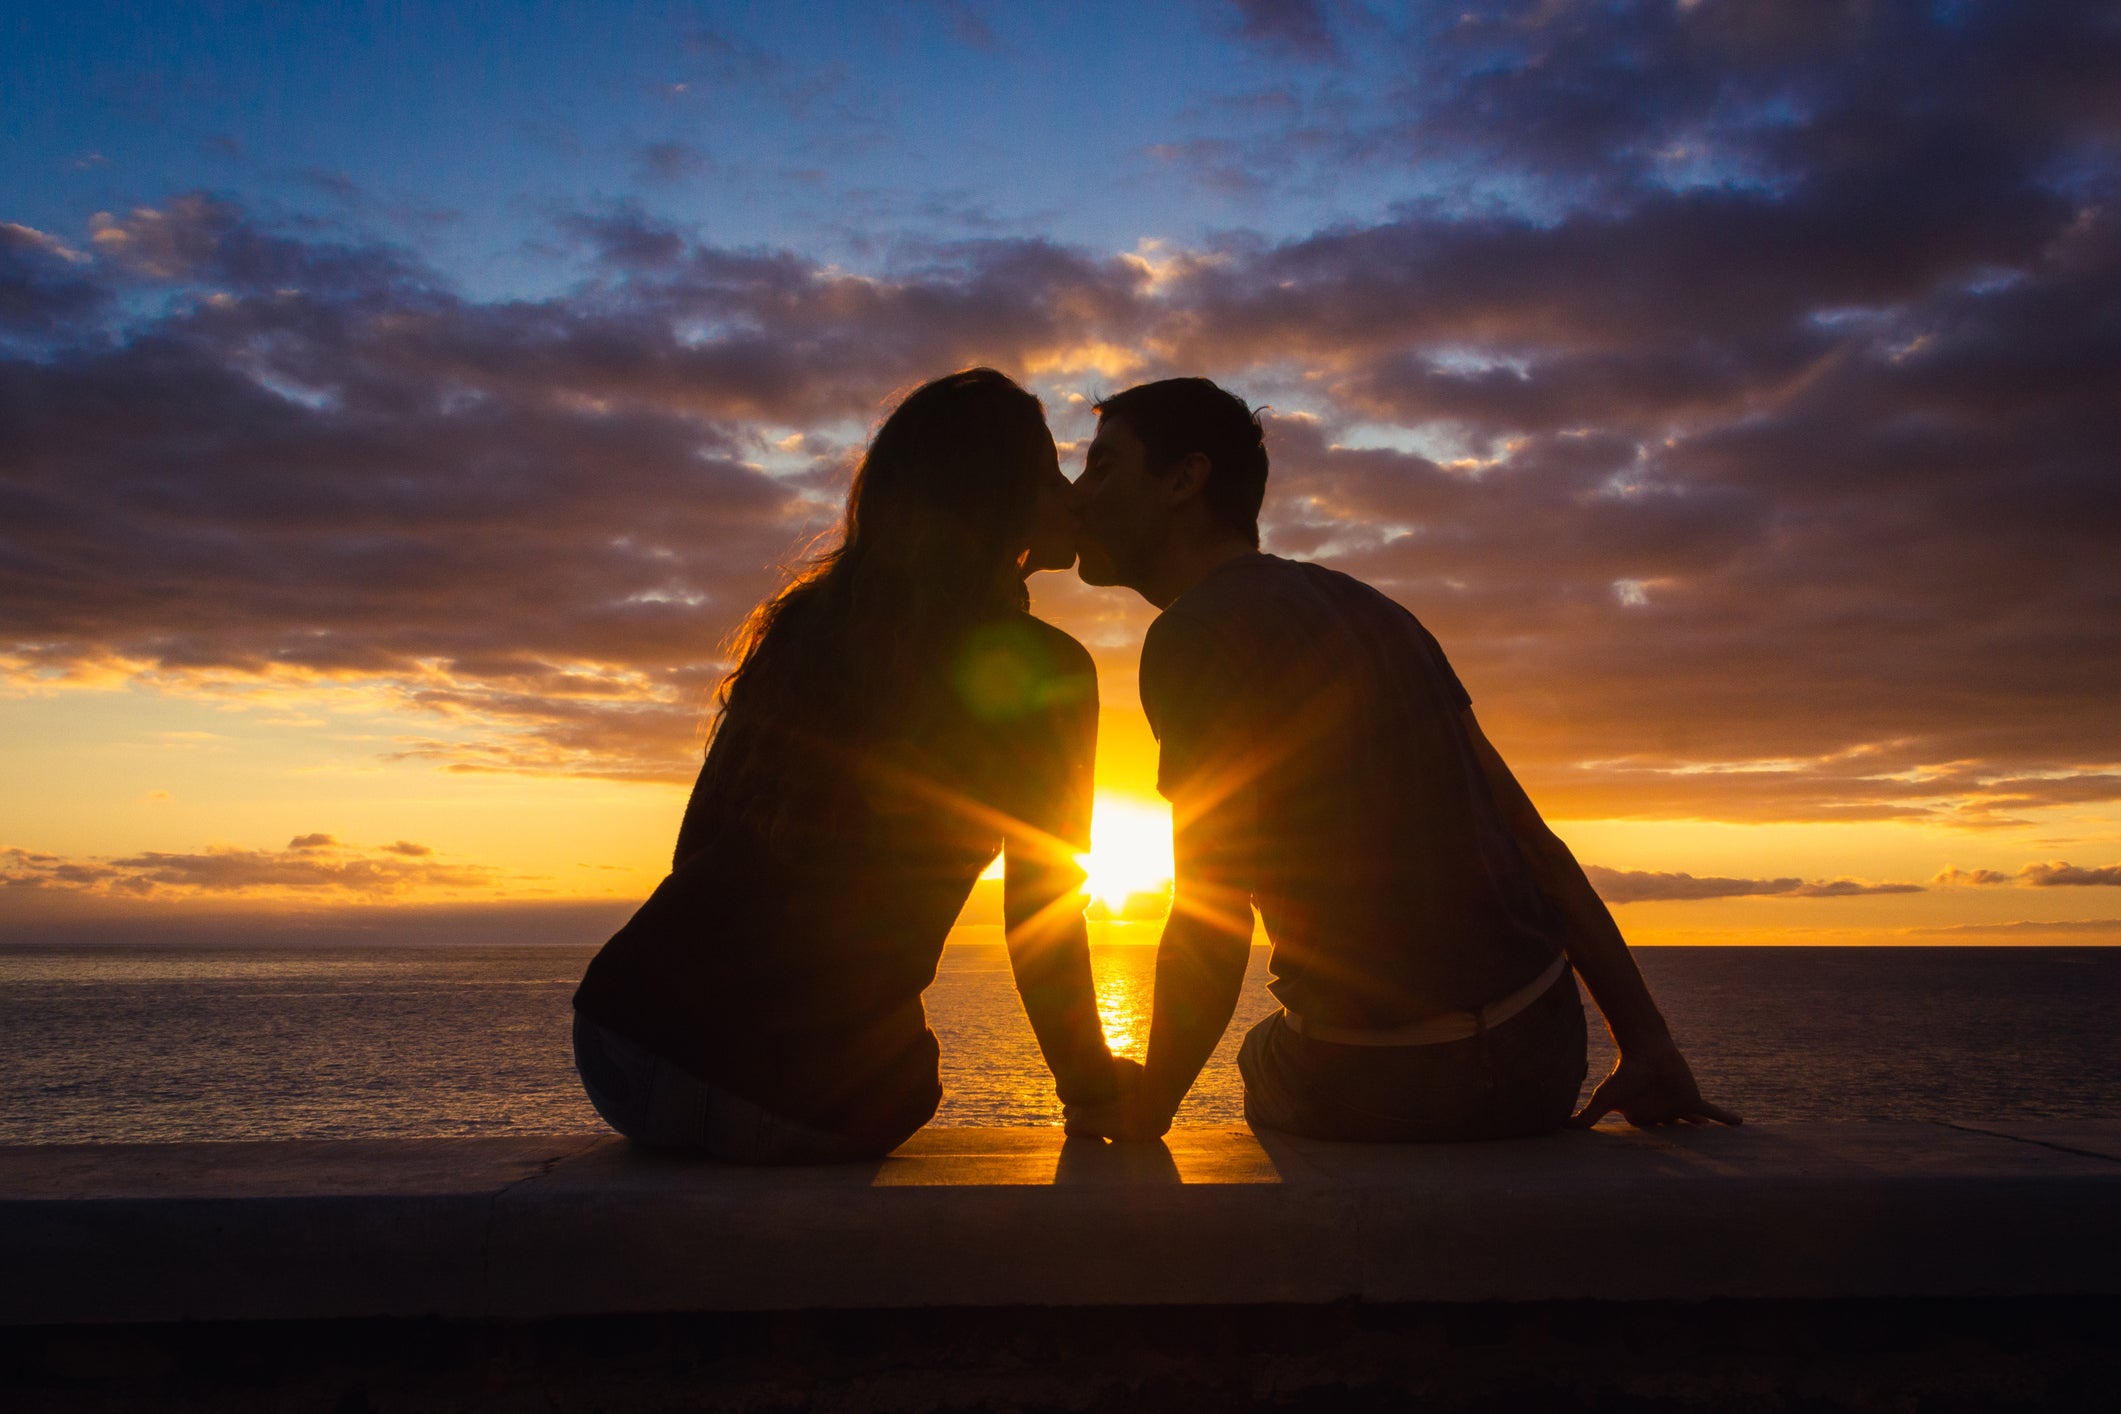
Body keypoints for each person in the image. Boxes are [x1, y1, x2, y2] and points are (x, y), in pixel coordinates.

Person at [1061, 378, 1737, 1144]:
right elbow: (1533, 843)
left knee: (1261, 1055)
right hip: (1538, 1059)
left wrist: (1145, 1115)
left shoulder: (1193, 634)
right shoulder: (1372, 607)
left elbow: (1211, 917)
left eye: (1102, 468)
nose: (1078, 498)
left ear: (1184, 479)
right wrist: (1647, 1044)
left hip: (1381, 1080)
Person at [572, 368, 1117, 1162]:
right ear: (995, 499)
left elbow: (698, 841)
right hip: (788, 1093)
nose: (1070, 494)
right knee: (908, 1080)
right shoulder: (1045, 667)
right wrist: (1093, 1089)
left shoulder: (807, 624)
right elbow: (1043, 912)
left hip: (618, 1041)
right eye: (1048, 473)